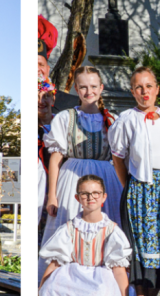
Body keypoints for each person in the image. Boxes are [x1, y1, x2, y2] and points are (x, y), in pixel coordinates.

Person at [109, 66, 160, 296]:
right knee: (140, 246)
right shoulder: (126, 119)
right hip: (140, 188)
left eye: (149, 86)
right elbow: (118, 157)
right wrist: (130, 184)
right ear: (132, 91)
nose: (144, 91)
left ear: (157, 89)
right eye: (139, 87)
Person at [38, 174, 132, 296]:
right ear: (77, 198)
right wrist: (39, 295)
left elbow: (119, 270)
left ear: (104, 197)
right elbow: (54, 265)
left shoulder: (111, 230)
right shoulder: (68, 229)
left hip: (101, 276)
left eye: (96, 193)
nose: (91, 197)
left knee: (101, 292)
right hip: (73, 275)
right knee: (53, 287)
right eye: (85, 194)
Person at [43, 67, 122, 246]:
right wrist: (52, 195)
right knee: (70, 226)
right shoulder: (65, 118)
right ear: (77, 89)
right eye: (84, 87)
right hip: (72, 178)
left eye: (93, 86)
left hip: (106, 178)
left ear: (101, 88)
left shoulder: (112, 120)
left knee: (105, 230)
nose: (89, 91)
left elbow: (119, 160)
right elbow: (55, 159)